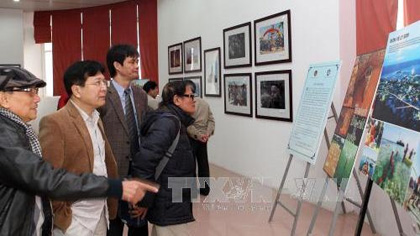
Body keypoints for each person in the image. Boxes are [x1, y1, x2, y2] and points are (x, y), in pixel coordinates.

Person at [0, 66, 158, 236]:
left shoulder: (20, 130)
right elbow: (46, 177)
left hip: (95, 214)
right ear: (4, 99)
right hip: (72, 222)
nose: (37, 98)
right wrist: (114, 187)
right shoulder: (5, 136)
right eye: (29, 92)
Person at [38, 61, 119, 235]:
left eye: (104, 82)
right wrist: (64, 218)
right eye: (97, 83)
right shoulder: (55, 122)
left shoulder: (96, 119)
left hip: (100, 213)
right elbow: (49, 177)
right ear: (77, 90)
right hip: (74, 221)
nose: (104, 88)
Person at [132, 81, 196, 236]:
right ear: (177, 100)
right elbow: (145, 163)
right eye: (191, 96)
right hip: (168, 202)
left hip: (174, 198)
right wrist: (144, 200)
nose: (194, 100)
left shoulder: (175, 121)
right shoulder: (168, 123)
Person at [98, 44, 149, 236]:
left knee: (139, 223)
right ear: (117, 66)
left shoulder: (140, 94)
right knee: (114, 224)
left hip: (138, 169)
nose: (137, 66)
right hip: (113, 169)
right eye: (132, 62)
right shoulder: (103, 94)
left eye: (137, 61)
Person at [185, 80, 215, 196]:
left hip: (192, 138)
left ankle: (191, 191)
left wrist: (198, 135)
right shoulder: (205, 103)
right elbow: (211, 120)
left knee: (190, 165)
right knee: (203, 164)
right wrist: (207, 134)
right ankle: (205, 189)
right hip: (204, 138)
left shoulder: (188, 104)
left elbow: (187, 125)